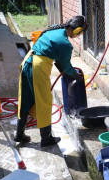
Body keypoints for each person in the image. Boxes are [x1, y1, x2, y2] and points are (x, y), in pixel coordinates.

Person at [15, 15, 88, 146]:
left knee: (26, 99)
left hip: (27, 62)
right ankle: (46, 138)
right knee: (44, 101)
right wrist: (74, 75)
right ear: (77, 30)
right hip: (38, 67)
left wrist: (63, 71)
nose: (79, 36)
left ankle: (19, 134)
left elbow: (58, 60)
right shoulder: (65, 44)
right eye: (80, 33)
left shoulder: (55, 30)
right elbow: (66, 65)